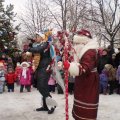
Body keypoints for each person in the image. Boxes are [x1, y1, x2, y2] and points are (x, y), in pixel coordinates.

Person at [64, 29, 99, 120]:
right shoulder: (83, 50)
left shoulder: (90, 51)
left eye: (77, 43)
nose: (75, 46)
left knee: (86, 106)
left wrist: (69, 67)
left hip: (89, 81)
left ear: (83, 42)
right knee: (80, 103)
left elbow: (84, 68)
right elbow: (77, 63)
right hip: (83, 81)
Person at [28, 32, 57, 114]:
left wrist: (29, 48)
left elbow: (38, 50)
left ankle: (52, 105)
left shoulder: (46, 44)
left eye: (37, 36)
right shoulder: (40, 44)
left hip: (46, 68)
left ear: (42, 37)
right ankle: (45, 106)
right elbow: (36, 50)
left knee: (42, 86)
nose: (36, 38)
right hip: (40, 68)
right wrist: (31, 46)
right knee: (41, 86)